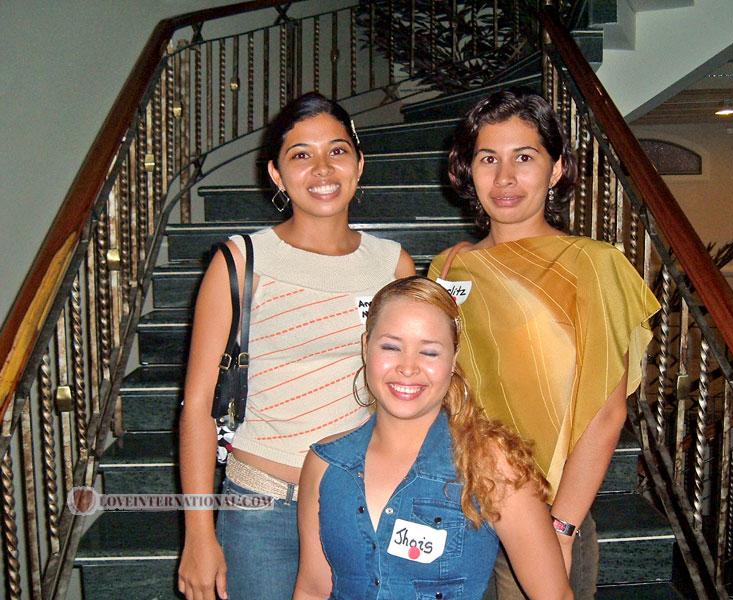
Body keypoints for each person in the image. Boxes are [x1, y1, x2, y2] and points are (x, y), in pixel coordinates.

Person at [177, 92, 416, 600]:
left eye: (337, 151)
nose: (322, 169)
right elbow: (197, 405)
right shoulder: (241, 261)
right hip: (260, 508)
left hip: (358, 503)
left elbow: (411, 389)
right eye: (301, 154)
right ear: (277, 174)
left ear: (359, 164)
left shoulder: (392, 265)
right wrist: (198, 533)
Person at [428, 88, 659, 599]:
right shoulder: (449, 268)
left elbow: (606, 412)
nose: (505, 178)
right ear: (468, 169)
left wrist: (561, 528)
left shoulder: (592, 265)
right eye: (488, 159)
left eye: (525, 158)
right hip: (455, 508)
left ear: (556, 169)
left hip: (546, 512)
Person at [293, 276, 574, 600]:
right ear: (366, 346)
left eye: (429, 352)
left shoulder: (490, 463)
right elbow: (312, 589)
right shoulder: (326, 464)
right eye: (391, 347)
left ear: (453, 359)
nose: (408, 367)